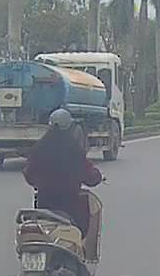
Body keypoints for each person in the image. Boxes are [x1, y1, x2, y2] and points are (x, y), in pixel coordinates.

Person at [23, 109, 103, 255]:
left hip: (44, 205)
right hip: (70, 207)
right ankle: (85, 252)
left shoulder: (39, 148)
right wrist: (97, 176)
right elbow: (90, 177)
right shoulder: (74, 150)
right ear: (69, 127)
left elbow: (29, 175)